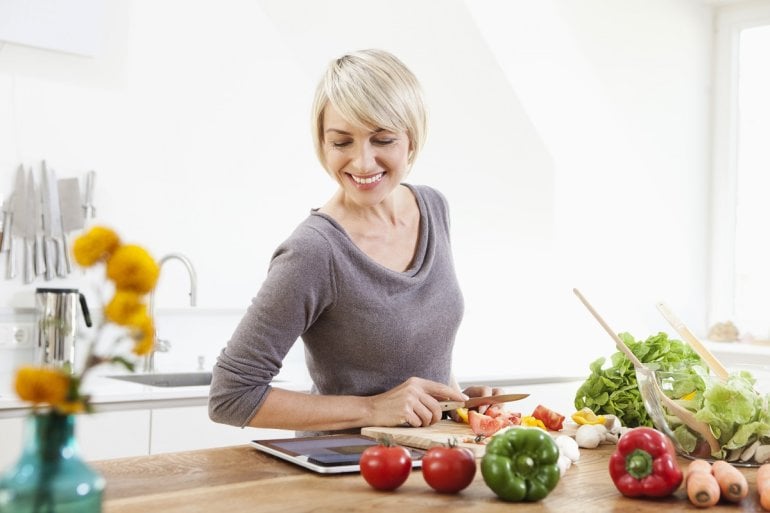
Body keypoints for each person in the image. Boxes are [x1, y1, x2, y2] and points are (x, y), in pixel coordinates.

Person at [208, 49, 501, 433]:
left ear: (411, 139)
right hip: (344, 470)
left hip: (429, 465)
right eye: (342, 142)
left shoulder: (433, 207)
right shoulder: (314, 251)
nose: (362, 163)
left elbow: (416, 359)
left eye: (382, 139)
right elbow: (230, 395)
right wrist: (372, 409)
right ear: (322, 144)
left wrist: (457, 400)